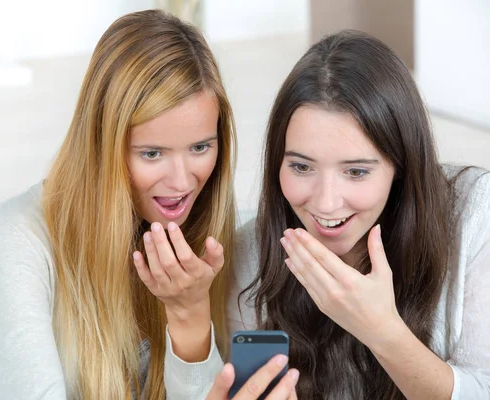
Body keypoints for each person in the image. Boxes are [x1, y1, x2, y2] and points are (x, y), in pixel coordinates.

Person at [0, 9, 239, 399]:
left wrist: (190, 318)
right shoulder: (14, 242)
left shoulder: (202, 244)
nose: (182, 181)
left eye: (201, 147)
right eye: (152, 153)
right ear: (102, 146)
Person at [206, 30, 490, 399]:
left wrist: (382, 331)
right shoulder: (252, 255)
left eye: (356, 172)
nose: (325, 204)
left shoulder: (473, 216)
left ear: (401, 165)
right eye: (302, 167)